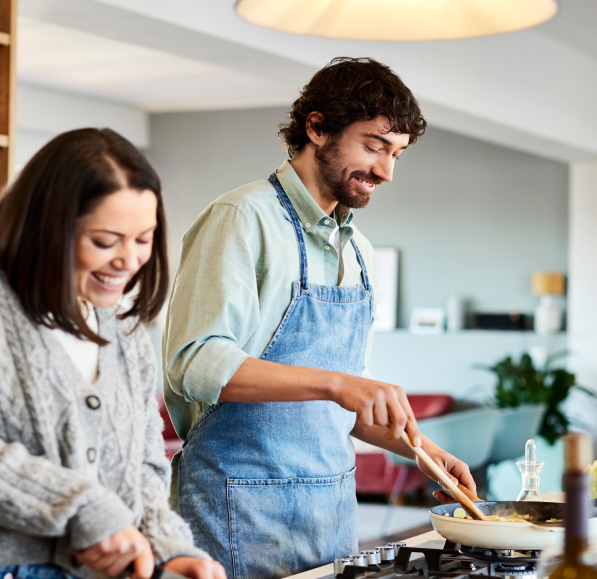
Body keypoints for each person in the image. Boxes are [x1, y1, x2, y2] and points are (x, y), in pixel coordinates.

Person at [163, 57, 476, 579]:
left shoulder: (359, 252)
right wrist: (338, 384)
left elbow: (344, 406)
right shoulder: (242, 218)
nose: (386, 171)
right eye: (374, 146)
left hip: (330, 510)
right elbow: (196, 362)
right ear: (317, 127)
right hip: (237, 507)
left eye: (396, 153)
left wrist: (421, 451)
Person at [0, 129, 226, 579]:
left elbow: (142, 461)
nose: (129, 260)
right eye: (105, 241)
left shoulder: (124, 330)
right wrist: (83, 507)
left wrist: (169, 549)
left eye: (143, 239)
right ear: (47, 228)